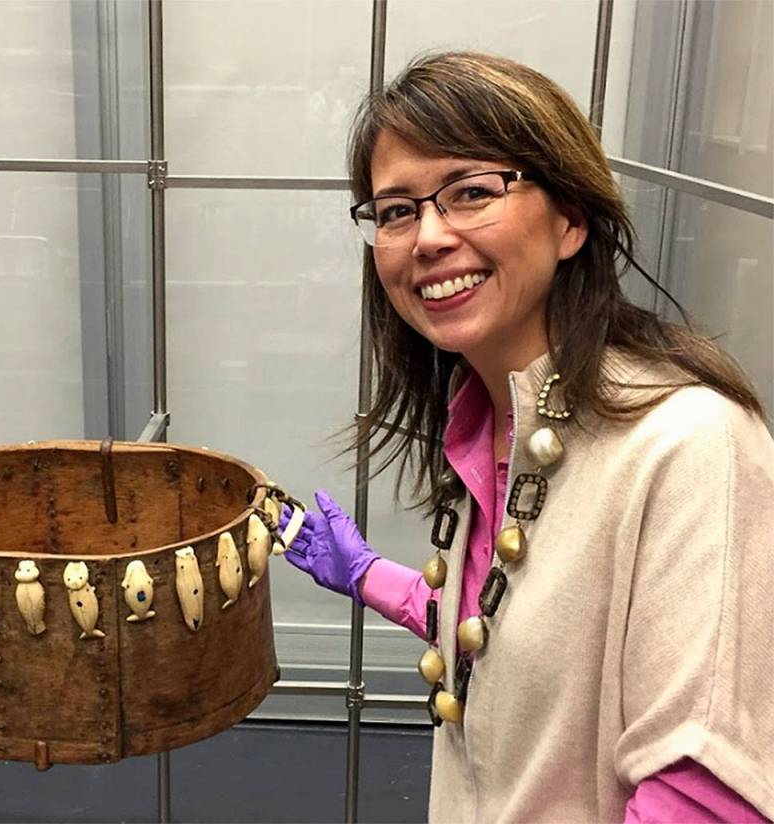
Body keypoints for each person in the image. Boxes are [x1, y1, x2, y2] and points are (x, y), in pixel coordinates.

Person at [279, 51, 774, 823]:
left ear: (572, 219)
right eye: (396, 211)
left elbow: (704, 796)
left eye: (472, 192)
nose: (428, 237)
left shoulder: (689, 444)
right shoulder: (490, 419)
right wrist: (367, 574)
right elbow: (517, 630)